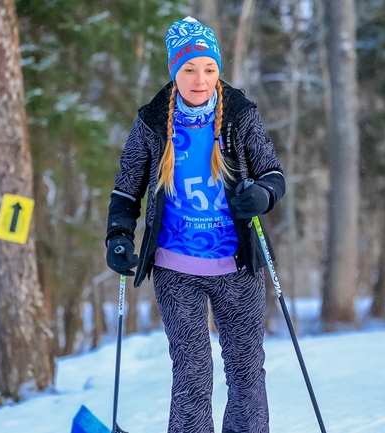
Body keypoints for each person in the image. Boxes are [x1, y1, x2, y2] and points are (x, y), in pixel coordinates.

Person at [105, 16, 285, 433]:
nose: (200, 80)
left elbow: (272, 174)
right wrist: (118, 236)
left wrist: (262, 195)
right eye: (189, 69)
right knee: (192, 373)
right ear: (174, 71)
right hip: (175, 267)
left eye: (208, 69)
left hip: (237, 265)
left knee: (246, 372)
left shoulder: (240, 115)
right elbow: (127, 188)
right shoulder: (152, 121)